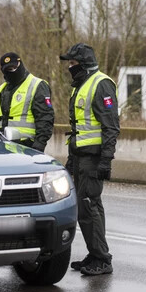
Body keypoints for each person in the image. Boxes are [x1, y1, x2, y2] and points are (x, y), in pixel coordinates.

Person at [59, 43, 119, 276]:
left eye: (73, 64)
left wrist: (106, 160)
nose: (70, 68)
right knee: (89, 206)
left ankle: (102, 259)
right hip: (81, 156)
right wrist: (71, 159)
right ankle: (96, 253)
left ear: (83, 64)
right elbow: (78, 129)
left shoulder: (101, 84)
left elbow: (111, 126)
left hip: (94, 158)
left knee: (88, 207)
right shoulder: (81, 85)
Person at [0, 52, 54, 152]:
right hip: (2, 147)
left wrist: (39, 144)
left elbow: (45, 118)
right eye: (7, 70)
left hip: (27, 147)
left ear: (20, 64)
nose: (11, 72)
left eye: (13, 68)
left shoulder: (37, 85)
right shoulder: (0, 91)